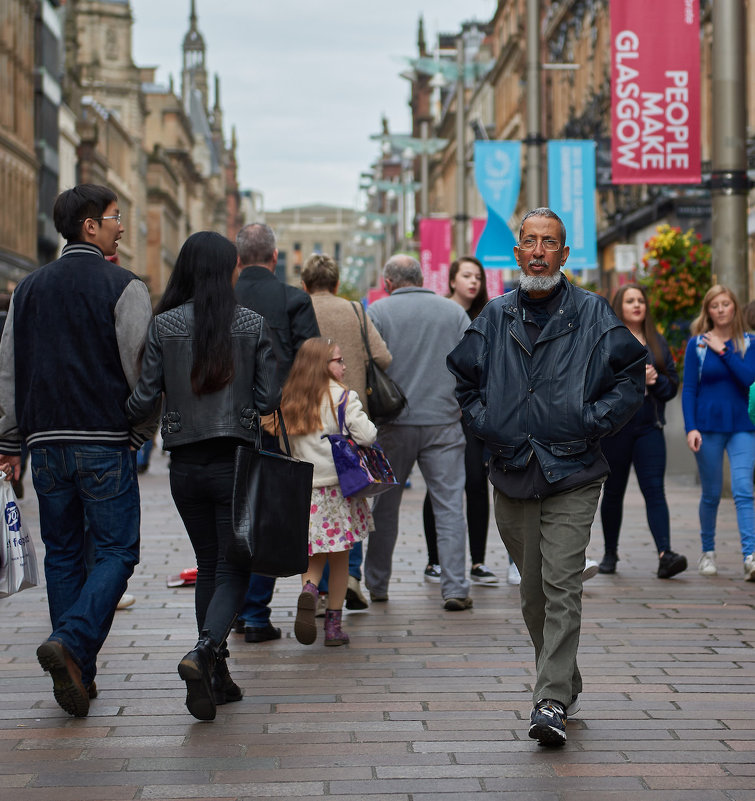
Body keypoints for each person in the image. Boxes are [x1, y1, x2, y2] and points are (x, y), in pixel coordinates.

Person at [448, 208, 645, 746]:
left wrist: (591, 422)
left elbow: (630, 379)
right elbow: (464, 384)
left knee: (561, 584)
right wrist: (489, 426)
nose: (538, 251)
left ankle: (550, 700)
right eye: (529, 241)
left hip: (574, 469)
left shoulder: (594, 314)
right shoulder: (493, 316)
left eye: (549, 242)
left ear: (564, 253)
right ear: (516, 254)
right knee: (533, 595)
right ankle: (566, 679)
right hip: (512, 468)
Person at [0, 184, 154, 717]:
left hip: (45, 444)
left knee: (64, 552)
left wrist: (10, 438)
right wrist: (139, 430)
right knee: (117, 551)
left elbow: (8, 368)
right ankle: (72, 642)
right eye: (115, 217)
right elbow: (141, 369)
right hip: (103, 440)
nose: (120, 227)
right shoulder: (125, 286)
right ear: (90, 226)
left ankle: (77, 672)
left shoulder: (27, 289)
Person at [126, 231, 280, 720]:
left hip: (185, 462)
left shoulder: (163, 324)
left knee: (209, 562)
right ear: (229, 269)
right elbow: (269, 398)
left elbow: (144, 398)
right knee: (235, 565)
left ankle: (216, 674)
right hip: (236, 459)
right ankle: (205, 650)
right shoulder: (253, 324)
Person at [364, 255, 472, 611]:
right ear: (422, 277)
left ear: (389, 283)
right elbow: (472, 364)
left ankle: (377, 584)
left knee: (384, 508)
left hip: (394, 425)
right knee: (450, 506)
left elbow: (369, 368)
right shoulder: (453, 313)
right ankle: (456, 587)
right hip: (443, 422)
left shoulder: (378, 313)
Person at [233, 223, 320, 643]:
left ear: (238, 259)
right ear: (274, 257)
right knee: (265, 515)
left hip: (221, 425)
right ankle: (253, 614)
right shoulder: (293, 299)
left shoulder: (219, 299)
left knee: (226, 517)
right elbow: (311, 361)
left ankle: (226, 609)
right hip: (275, 424)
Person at [301, 253, 391, 613]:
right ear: (337, 283)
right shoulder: (354, 310)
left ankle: (316, 591)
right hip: (350, 420)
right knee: (350, 502)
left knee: (317, 528)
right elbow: (383, 358)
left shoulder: (298, 306)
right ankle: (350, 579)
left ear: (304, 285)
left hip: (307, 417)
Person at [272, 337, 376, 646]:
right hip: (339, 492)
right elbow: (367, 435)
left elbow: (283, 443)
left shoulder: (292, 398)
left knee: (313, 554)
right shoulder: (343, 397)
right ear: (324, 365)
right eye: (338, 361)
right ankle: (333, 627)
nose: (343, 366)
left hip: (305, 492)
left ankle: (309, 591)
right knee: (341, 558)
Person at [421, 256, 511, 586]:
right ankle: (435, 561)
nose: (473, 282)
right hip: (443, 413)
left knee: (476, 482)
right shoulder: (440, 313)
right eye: (466, 275)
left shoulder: (488, 315)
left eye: (478, 276)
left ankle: (478, 562)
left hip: (476, 416)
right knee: (440, 486)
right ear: (452, 280)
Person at [598, 284, 687, 579]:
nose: (637, 305)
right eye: (630, 301)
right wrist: (632, 379)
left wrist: (655, 380)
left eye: (640, 301)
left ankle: (665, 554)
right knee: (613, 492)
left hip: (650, 429)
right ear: (619, 306)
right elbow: (596, 383)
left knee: (654, 490)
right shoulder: (608, 339)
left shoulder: (657, 342)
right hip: (616, 431)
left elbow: (671, 387)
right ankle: (610, 554)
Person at [682, 284, 755, 581]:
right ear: (708, 311)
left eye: (726, 304)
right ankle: (708, 552)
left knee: (742, 489)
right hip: (707, 426)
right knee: (711, 493)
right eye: (715, 305)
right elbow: (688, 390)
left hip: (743, 426)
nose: (721, 309)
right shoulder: (697, 345)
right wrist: (690, 428)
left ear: (734, 307)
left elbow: (749, 379)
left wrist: (723, 351)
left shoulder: (749, 342)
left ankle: (750, 556)